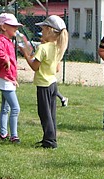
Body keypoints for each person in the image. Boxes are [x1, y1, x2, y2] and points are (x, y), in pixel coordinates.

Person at [23, 15, 68, 149]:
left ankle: (49, 141)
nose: (41, 32)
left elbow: (34, 66)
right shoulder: (58, 47)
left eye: (42, 30)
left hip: (43, 84)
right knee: (51, 114)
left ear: (49, 30)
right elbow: (57, 68)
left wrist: (25, 53)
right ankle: (50, 138)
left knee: (44, 114)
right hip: (53, 84)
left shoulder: (43, 48)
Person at [0, 13, 23, 143]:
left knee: (5, 108)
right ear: (4, 27)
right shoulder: (1, 40)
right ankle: (14, 136)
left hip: (7, 79)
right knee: (15, 108)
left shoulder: (7, 41)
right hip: (5, 80)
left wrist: (15, 70)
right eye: (13, 26)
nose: (16, 29)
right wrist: (5, 59)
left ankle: (3, 134)